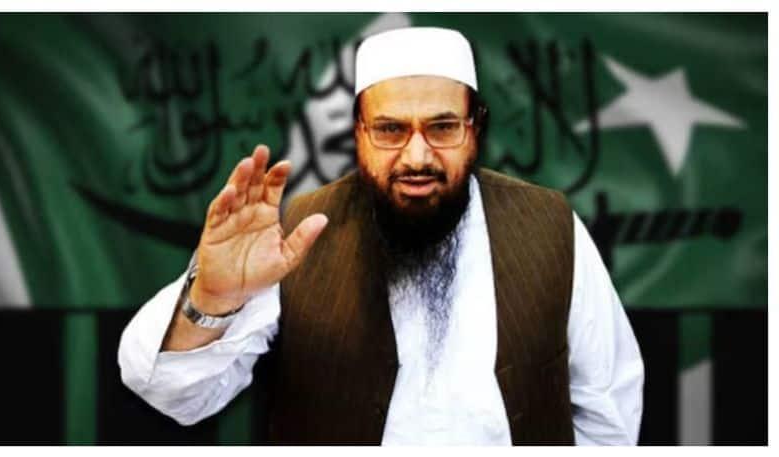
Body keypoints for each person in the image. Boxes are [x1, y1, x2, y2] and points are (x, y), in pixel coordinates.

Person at [118, 27, 644, 445]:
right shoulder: (300, 233)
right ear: (358, 133)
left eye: (442, 127)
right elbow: (174, 395)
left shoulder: (548, 225)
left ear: (474, 129)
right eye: (391, 129)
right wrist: (214, 298)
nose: (416, 157)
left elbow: (609, 409)